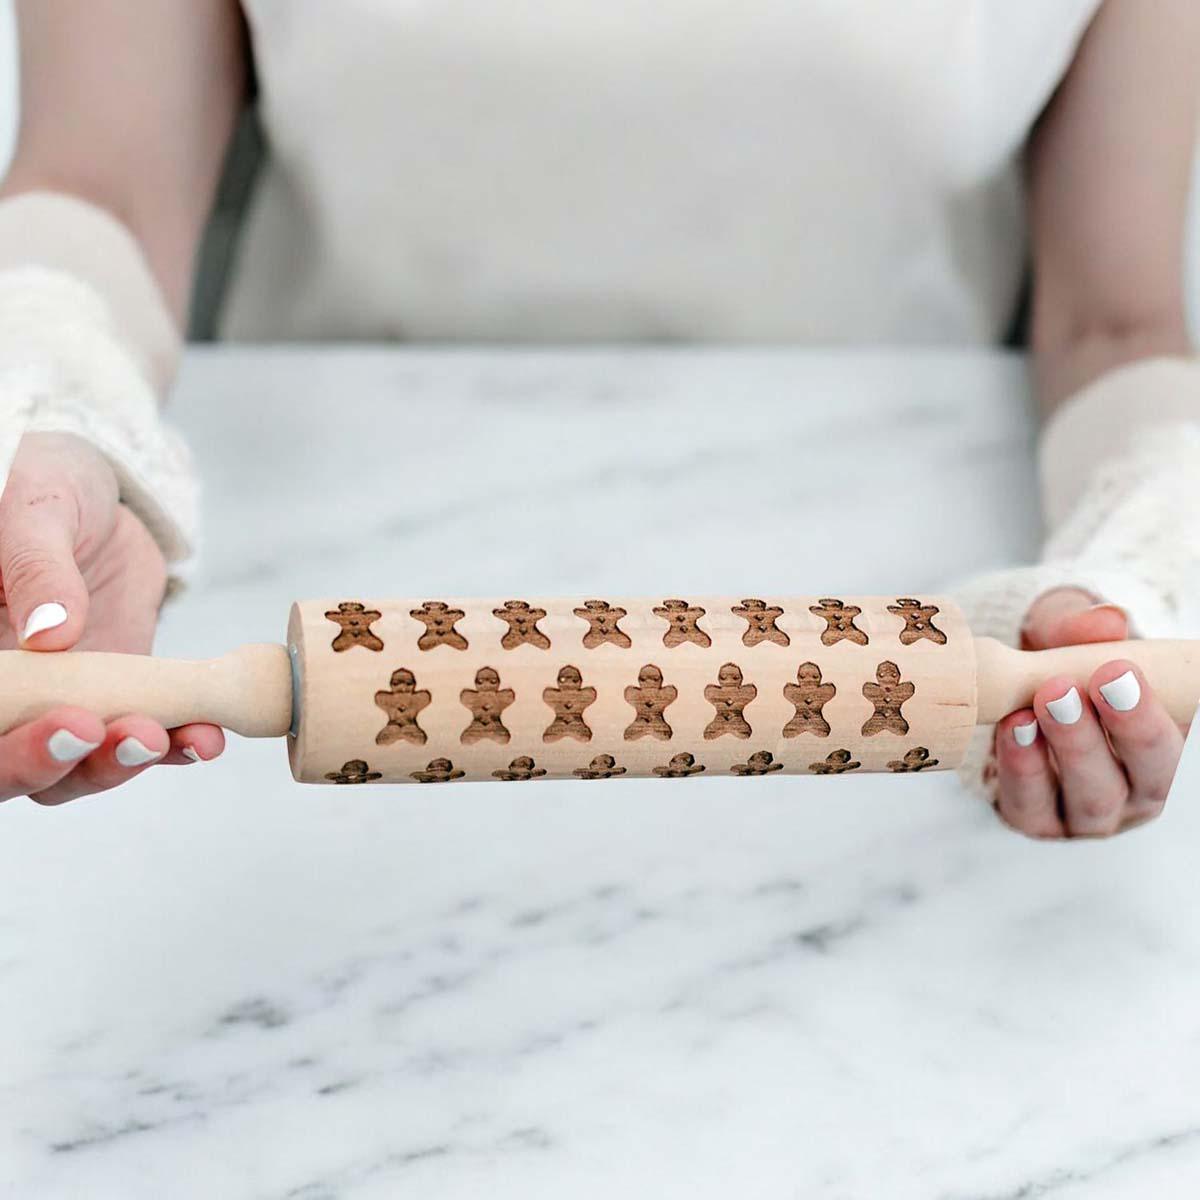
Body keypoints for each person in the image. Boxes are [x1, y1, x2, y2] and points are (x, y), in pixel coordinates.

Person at [0, 1, 1195, 835]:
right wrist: (64, 423)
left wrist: (1128, 574)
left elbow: (1119, 323)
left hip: (902, 586)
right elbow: (99, 183)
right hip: (313, 519)